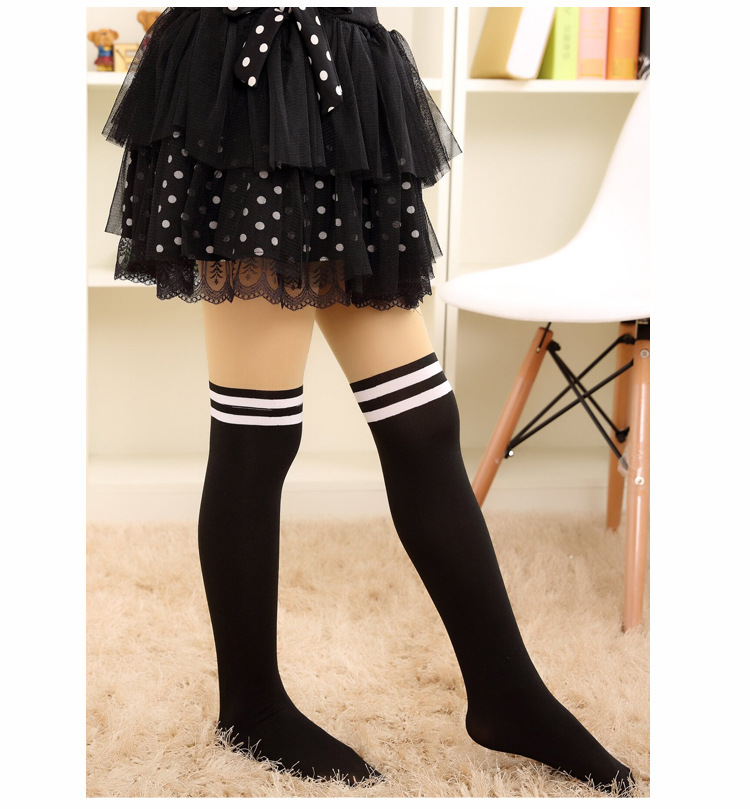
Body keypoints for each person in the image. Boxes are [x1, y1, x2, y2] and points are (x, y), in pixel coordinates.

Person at [101, 7, 633, 793]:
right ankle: (251, 706)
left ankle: (507, 692)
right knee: (257, 431)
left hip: (343, 77)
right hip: (247, 78)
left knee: (423, 422)